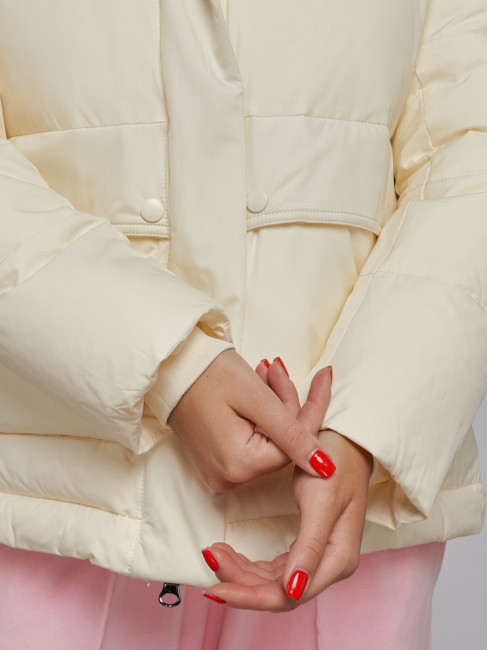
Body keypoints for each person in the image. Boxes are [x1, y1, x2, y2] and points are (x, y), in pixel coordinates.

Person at [0, 0, 485, 648]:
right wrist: (168, 362)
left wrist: (366, 422)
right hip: (59, 501)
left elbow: (469, 153)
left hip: (343, 512)